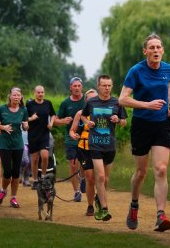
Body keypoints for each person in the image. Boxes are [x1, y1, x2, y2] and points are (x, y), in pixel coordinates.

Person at [119, 33, 170, 232]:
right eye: (151, 48)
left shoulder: (168, 69)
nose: (155, 51)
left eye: (158, 47)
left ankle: (161, 215)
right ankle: (134, 204)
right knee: (141, 172)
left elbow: (168, 87)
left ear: (162, 50)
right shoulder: (136, 71)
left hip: (162, 124)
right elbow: (123, 99)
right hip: (141, 124)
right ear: (145, 51)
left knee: (161, 169)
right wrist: (147, 105)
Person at [81, 75, 127, 221]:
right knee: (99, 176)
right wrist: (87, 123)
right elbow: (83, 116)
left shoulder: (117, 102)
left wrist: (118, 120)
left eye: (109, 85)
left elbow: (124, 122)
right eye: (104, 85)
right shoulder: (91, 102)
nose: (107, 88)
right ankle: (104, 208)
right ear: (98, 86)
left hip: (110, 145)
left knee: (105, 179)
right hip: (94, 143)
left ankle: (98, 198)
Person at [0, 87, 29, 208]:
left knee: (16, 173)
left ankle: (13, 198)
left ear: (21, 97)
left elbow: (25, 127)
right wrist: (3, 128)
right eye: (14, 95)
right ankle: (3, 191)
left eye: (18, 95)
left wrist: (26, 126)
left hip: (18, 144)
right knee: (7, 172)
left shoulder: (24, 110)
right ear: (10, 96)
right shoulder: (2, 109)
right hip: (4, 144)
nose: (16, 97)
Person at [54, 76, 85, 202]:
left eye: (79, 86)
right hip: (71, 137)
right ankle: (76, 191)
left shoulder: (87, 101)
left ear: (81, 87)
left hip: (86, 136)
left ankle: (82, 179)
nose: (77, 88)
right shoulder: (66, 103)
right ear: (70, 88)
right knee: (73, 164)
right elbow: (55, 120)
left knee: (84, 164)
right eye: (74, 86)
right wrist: (62, 121)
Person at [70, 88, 98, 217]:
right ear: (86, 100)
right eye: (90, 99)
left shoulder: (102, 112)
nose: (92, 101)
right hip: (84, 147)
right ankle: (90, 206)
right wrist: (74, 135)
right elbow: (72, 130)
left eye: (94, 98)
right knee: (90, 178)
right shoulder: (80, 113)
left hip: (100, 147)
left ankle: (99, 199)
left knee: (100, 177)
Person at [26, 85, 56, 189]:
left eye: (42, 92)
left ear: (44, 93)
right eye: (38, 92)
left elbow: (53, 115)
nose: (40, 94)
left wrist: (51, 123)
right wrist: (31, 118)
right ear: (34, 93)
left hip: (44, 133)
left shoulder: (48, 103)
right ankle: (35, 180)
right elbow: (24, 118)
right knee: (34, 159)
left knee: (45, 156)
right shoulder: (29, 104)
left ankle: (43, 177)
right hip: (33, 134)